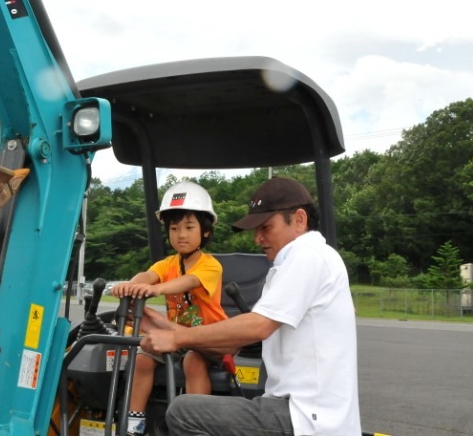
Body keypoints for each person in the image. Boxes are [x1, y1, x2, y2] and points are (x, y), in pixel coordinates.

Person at [139, 177, 361, 436]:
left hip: (305, 418)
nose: (258, 238)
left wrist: (177, 338)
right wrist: (165, 326)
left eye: (266, 227)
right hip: (298, 410)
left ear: (299, 220)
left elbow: (258, 325)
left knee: (183, 412)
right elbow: (235, 342)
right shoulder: (295, 262)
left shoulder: (308, 256)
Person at [111, 180, 228, 436]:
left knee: (194, 361)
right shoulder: (167, 264)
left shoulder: (210, 266)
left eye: (189, 227)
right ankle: (134, 425)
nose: (181, 234)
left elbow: (188, 281)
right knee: (142, 356)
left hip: (210, 338)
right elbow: (147, 275)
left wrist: (157, 290)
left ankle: (195, 425)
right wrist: (129, 285)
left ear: (205, 231)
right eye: (174, 228)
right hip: (174, 337)